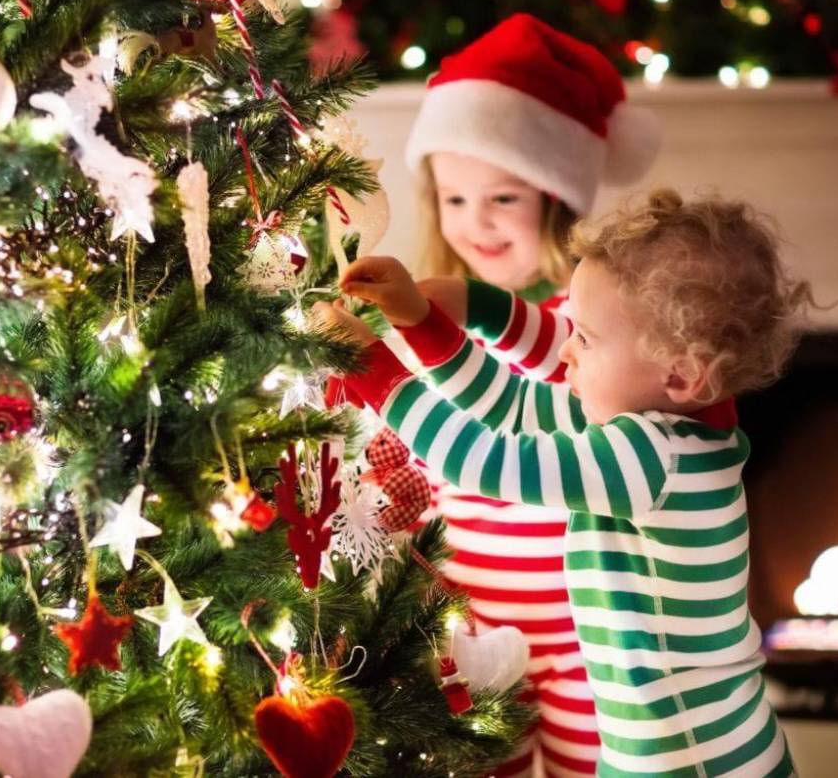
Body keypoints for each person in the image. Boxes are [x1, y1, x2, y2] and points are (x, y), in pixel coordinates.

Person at [319, 189, 810, 777]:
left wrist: (376, 369)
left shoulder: (652, 460)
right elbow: (511, 405)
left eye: (585, 338)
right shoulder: (660, 425)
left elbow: (484, 459)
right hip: (656, 752)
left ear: (681, 374)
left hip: (695, 762)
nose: (565, 352)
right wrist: (427, 323)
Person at [376, 13, 660, 777]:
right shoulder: (423, 324)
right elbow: (416, 464)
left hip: (582, 634)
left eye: (502, 199)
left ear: (556, 196)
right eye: (455, 201)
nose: (476, 224)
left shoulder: (589, 328)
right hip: (469, 625)